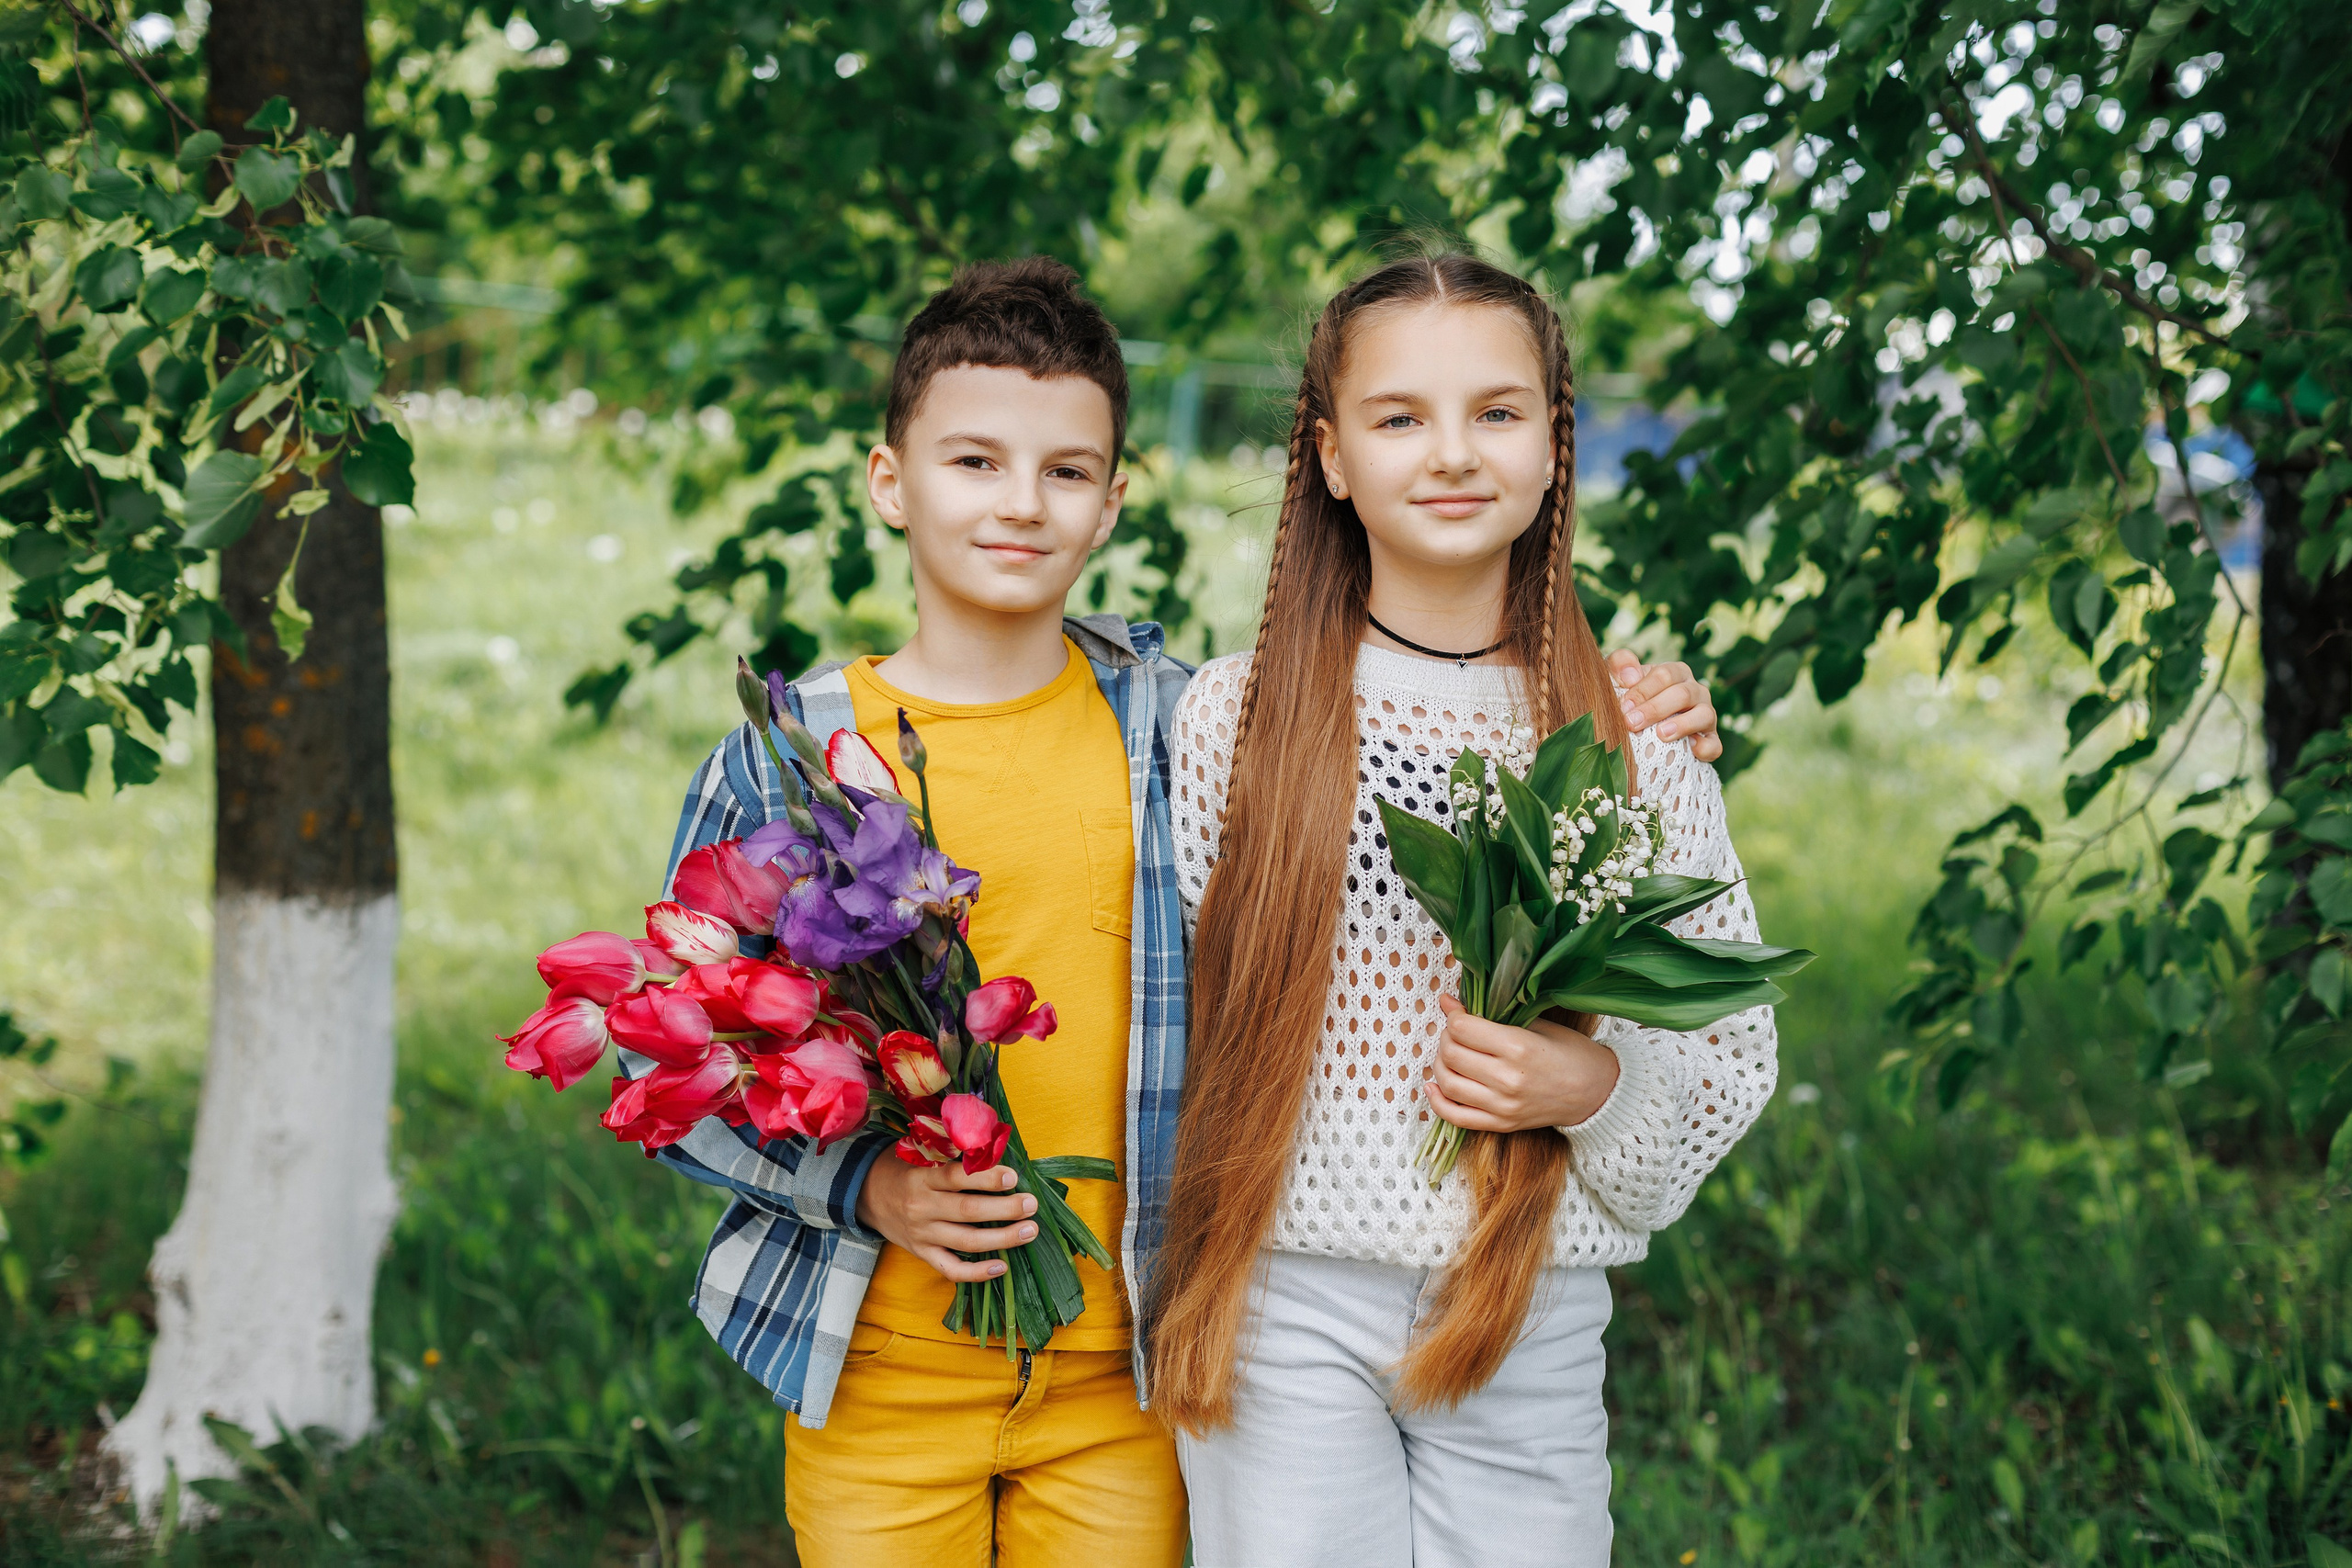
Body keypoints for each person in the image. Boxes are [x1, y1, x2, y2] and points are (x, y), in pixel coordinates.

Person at [642, 257, 1723, 1566]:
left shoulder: (1166, 719)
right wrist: (867, 1184)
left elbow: (1401, 713)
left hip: (1131, 1366)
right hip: (881, 1354)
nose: (1020, 505)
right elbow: (678, 1058)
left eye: (1064, 471)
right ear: (891, 481)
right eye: (973, 462)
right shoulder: (802, 758)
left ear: (1111, 501)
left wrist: (1619, 695)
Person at [1151, 251, 1780, 1568]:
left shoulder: (1631, 746)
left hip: (1527, 1302)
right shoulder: (1237, 718)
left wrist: (1593, 1082)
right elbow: (1165, 1014)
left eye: (1496, 413)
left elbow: (1727, 1052)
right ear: (1329, 457)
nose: (1451, 453)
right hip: (1283, 1296)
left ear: (1556, 446)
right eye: (1399, 417)